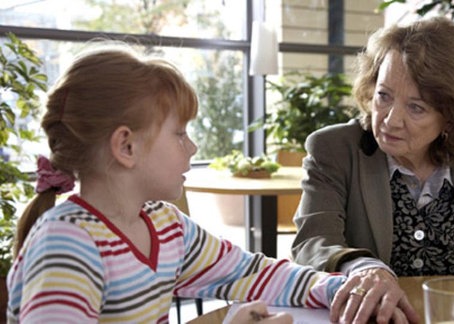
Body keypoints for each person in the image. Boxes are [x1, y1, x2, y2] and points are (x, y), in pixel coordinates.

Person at [6, 45, 371, 324]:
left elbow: (251, 272)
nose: (192, 147)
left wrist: (341, 288)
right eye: (180, 133)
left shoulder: (165, 226)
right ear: (126, 146)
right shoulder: (66, 245)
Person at [291, 16, 454, 323]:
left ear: (452, 116)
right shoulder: (335, 149)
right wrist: (361, 267)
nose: (391, 120)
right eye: (384, 96)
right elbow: (312, 243)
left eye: (416, 107)